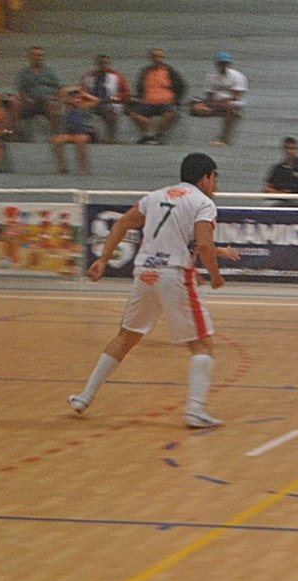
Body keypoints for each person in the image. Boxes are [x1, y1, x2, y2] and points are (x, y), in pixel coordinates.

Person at [68, 153, 241, 428]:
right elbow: (204, 245)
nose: (215, 184)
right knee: (203, 345)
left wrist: (102, 259)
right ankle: (195, 411)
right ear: (205, 177)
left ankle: (84, 397)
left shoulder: (155, 196)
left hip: (145, 274)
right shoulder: (203, 203)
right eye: (215, 178)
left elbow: (123, 223)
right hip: (174, 275)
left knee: (125, 338)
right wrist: (216, 276)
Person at [127, 48, 187, 145]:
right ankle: (149, 134)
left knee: (171, 111)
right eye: (154, 56)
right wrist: (138, 98)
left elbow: (181, 86)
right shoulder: (145, 71)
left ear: (163, 58)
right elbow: (140, 87)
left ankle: (157, 135)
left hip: (166, 102)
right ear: (151, 58)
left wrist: (175, 99)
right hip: (148, 102)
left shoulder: (169, 71)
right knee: (132, 112)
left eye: (159, 56)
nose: (157, 59)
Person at [190, 52, 247, 146]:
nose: (223, 65)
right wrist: (211, 102)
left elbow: (235, 96)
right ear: (217, 64)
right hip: (215, 103)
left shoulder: (237, 76)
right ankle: (229, 114)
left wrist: (218, 102)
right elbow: (209, 95)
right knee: (195, 108)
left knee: (230, 106)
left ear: (229, 64)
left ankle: (223, 139)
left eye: (225, 63)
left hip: (233, 102)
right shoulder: (211, 77)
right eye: (221, 63)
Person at [13, 45, 62, 138]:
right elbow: (20, 91)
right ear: (29, 57)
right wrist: (25, 99)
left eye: (40, 55)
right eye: (35, 55)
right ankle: (14, 133)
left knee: (52, 104)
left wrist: (54, 97)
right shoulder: (23, 73)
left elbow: (60, 89)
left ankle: (53, 134)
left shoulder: (50, 71)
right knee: (14, 104)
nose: (38, 58)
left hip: (46, 102)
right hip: (29, 102)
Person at [80, 54, 130, 144]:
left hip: (110, 101)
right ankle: (90, 136)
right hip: (92, 102)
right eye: (101, 63)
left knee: (109, 110)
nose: (103, 65)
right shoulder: (89, 77)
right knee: (79, 109)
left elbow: (125, 92)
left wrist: (115, 98)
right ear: (97, 64)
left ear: (109, 63)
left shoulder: (117, 76)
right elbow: (82, 91)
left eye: (106, 63)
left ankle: (112, 137)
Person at [50, 87, 99, 176]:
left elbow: (95, 100)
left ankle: (82, 169)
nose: (76, 100)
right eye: (74, 98)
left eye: (78, 99)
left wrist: (82, 93)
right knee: (56, 140)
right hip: (68, 133)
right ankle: (62, 167)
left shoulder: (83, 106)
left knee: (81, 141)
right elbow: (62, 92)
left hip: (82, 132)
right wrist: (73, 89)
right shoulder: (67, 105)